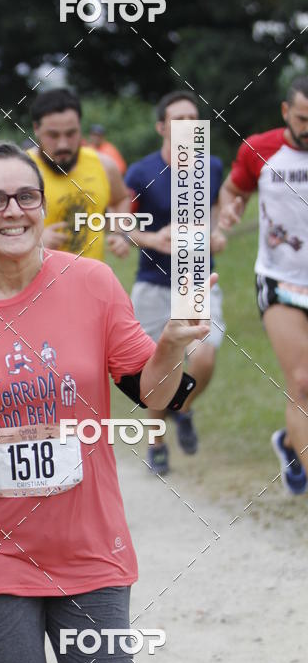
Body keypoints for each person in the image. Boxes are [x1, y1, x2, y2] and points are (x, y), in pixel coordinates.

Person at [0, 141, 213, 663]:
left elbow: (155, 394)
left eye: (26, 196)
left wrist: (171, 346)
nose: (13, 210)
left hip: (90, 547)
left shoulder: (92, 283)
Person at [123, 91, 226, 475]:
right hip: (153, 281)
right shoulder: (140, 172)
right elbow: (123, 225)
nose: (188, 126)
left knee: (205, 355)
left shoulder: (211, 166)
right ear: (161, 127)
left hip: (198, 278)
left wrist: (216, 233)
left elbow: (214, 212)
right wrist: (154, 239)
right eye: (178, 119)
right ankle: (156, 442)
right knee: (158, 368)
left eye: (193, 119)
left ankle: (180, 409)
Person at [219, 76, 308, 495]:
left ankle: (290, 442)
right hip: (281, 280)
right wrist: (230, 212)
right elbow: (233, 190)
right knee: (304, 382)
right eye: (304, 119)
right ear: (286, 112)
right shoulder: (259, 148)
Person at [28, 88, 131, 260]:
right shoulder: (20, 170)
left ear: (80, 128)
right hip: (38, 283)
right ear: (36, 129)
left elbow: (121, 199)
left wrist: (121, 233)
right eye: (53, 135)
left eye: (71, 133)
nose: (63, 145)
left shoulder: (104, 165)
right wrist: (34, 242)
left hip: (91, 281)